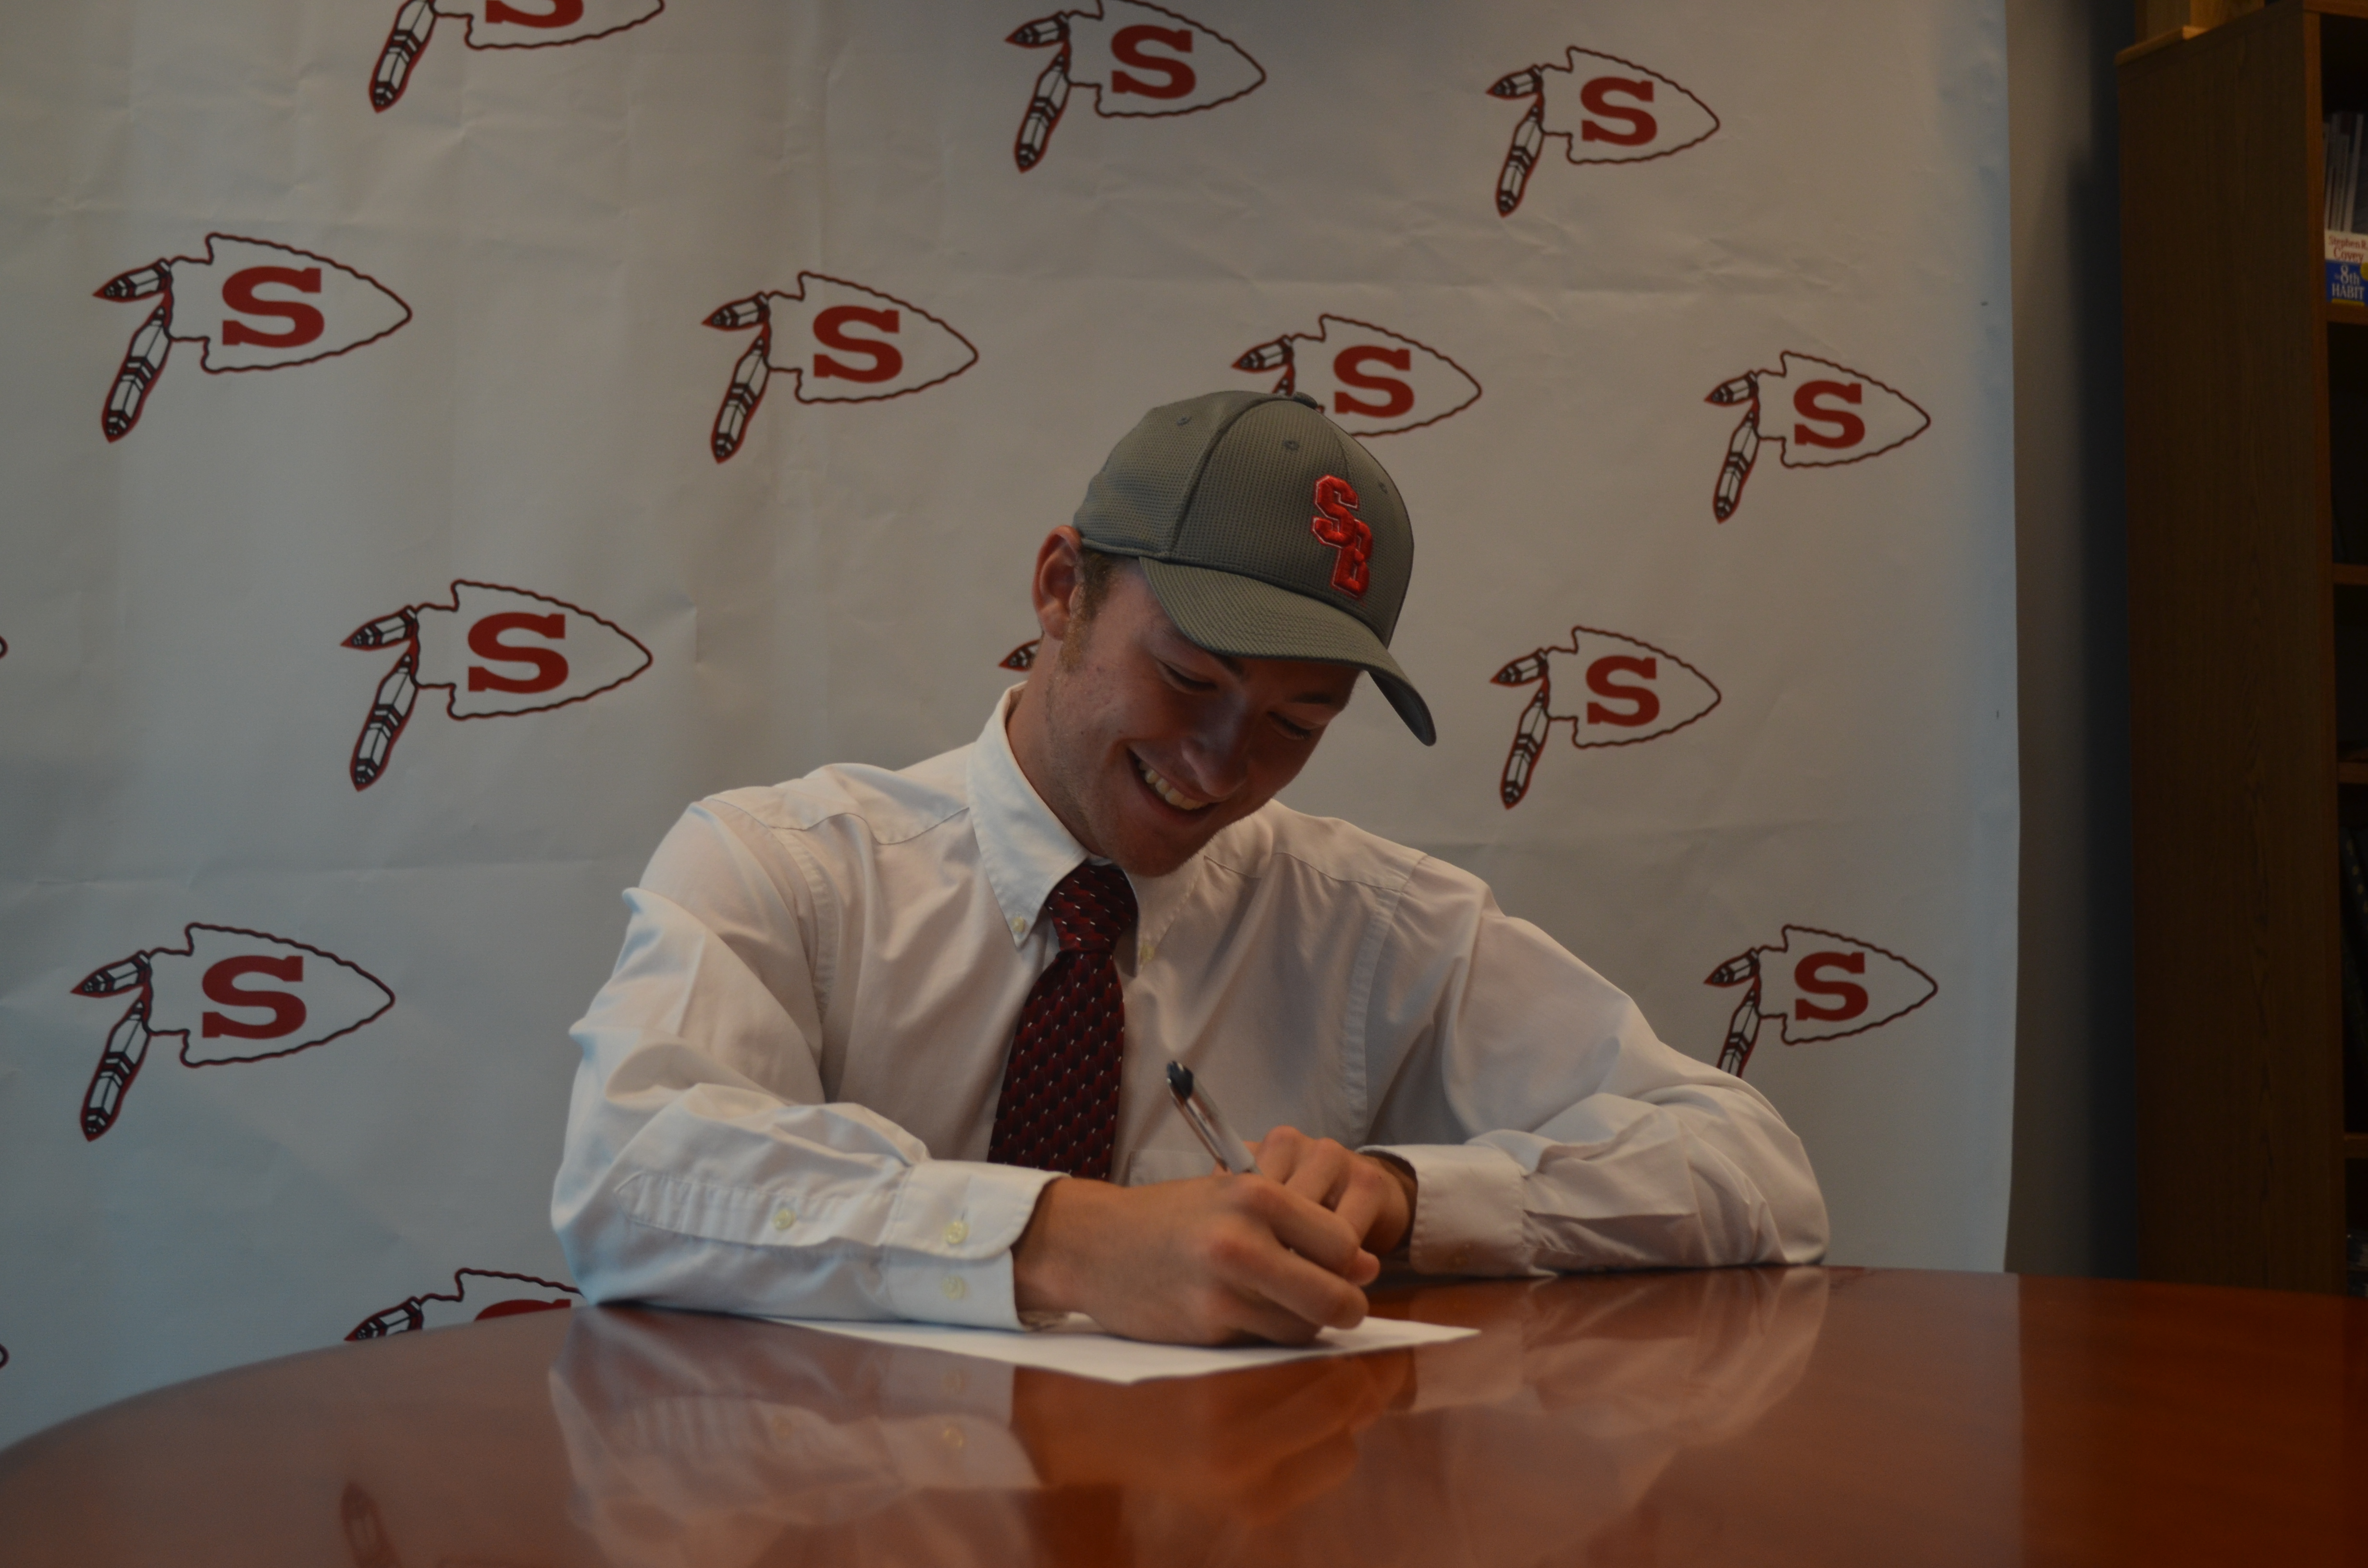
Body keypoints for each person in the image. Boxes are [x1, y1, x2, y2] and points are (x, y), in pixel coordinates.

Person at [552, 390, 1826, 1346]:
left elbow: (1753, 1175)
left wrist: (1407, 1194)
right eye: (1188, 679)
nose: (1220, 765)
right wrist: (1062, 1241)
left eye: (1296, 723)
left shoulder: (1374, 925)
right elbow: (629, 1175)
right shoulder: (787, 870)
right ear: (1062, 591)